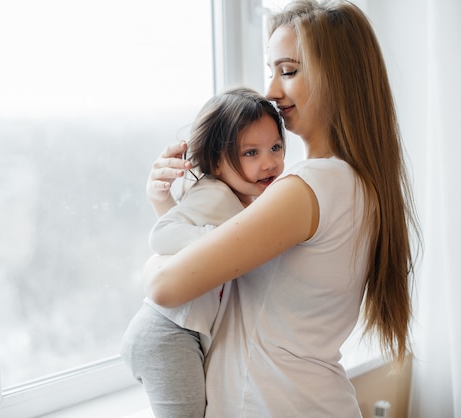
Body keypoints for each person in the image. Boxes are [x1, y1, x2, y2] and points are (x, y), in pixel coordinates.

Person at [143, 1, 421, 416]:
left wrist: (157, 255)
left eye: (288, 71)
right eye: (270, 70)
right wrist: (166, 205)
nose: (270, 91)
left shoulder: (307, 188)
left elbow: (165, 287)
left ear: (340, 78)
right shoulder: (354, 182)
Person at [120, 87, 285, 417]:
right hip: (168, 332)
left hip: (182, 334)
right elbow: (163, 236)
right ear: (218, 164)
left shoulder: (243, 200)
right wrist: (224, 242)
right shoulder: (216, 194)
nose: (269, 162)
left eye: (276, 147)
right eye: (251, 153)